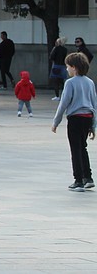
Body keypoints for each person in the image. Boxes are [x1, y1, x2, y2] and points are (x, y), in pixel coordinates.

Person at [51, 52, 96, 191]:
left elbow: (63, 104)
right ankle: (88, 177)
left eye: (68, 66)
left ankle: (78, 180)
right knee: (83, 147)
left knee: (75, 149)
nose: (66, 69)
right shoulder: (90, 82)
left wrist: (56, 122)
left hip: (75, 118)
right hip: (87, 117)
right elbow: (94, 104)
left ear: (74, 67)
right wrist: (94, 125)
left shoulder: (70, 83)